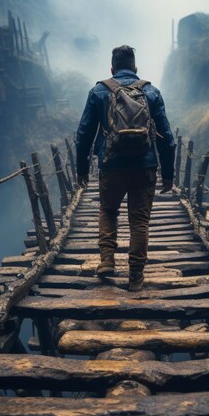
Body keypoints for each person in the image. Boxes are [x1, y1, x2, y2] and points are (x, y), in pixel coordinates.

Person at [76, 45, 176, 291]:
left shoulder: (99, 91)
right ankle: (136, 277)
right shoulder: (151, 92)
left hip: (111, 166)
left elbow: (83, 134)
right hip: (145, 167)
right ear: (136, 68)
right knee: (139, 221)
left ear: (112, 68)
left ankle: (107, 260)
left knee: (108, 211)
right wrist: (168, 175)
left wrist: (81, 170)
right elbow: (168, 138)